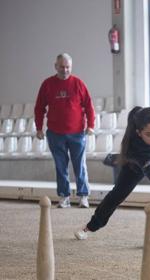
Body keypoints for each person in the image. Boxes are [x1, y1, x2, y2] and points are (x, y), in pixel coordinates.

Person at [74, 55, 150, 249]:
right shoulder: (138, 150)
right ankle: (90, 226)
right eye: (149, 135)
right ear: (139, 133)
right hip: (140, 164)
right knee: (119, 194)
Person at [34, 53, 95, 208]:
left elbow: (89, 106)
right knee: (61, 167)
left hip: (77, 133)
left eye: (68, 67)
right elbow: (39, 107)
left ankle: (83, 196)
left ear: (71, 67)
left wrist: (91, 125)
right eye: (62, 66)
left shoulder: (78, 84)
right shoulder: (47, 84)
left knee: (79, 165)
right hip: (55, 133)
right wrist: (39, 128)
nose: (65, 70)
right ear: (56, 66)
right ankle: (64, 196)